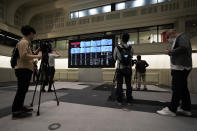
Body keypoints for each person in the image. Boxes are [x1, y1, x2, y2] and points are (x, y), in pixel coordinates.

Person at [157, 29, 192, 117]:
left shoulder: (182, 37)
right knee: (183, 89)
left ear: (172, 33)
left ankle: (172, 109)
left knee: (176, 89)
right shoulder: (180, 38)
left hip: (180, 68)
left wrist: (170, 52)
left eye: (168, 37)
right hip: (181, 67)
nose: (168, 39)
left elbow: (184, 48)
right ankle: (186, 108)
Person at [12, 25, 42, 119]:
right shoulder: (24, 42)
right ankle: (16, 111)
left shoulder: (26, 42)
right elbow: (24, 56)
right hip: (22, 69)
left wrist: (35, 55)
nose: (34, 36)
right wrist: (37, 56)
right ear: (30, 33)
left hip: (25, 69)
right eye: (33, 34)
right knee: (21, 90)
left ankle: (19, 107)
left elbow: (28, 55)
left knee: (23, 90)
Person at [113, 33, 134, 104]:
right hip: (128, 69)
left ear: (121, 39)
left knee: (119, 84)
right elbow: (131, 56)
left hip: (120, 69)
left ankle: (119, 100)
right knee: (128, 84)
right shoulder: (131, 48)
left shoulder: (117, 48)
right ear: (128, 39)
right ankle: (129, 99)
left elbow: (114, 58)